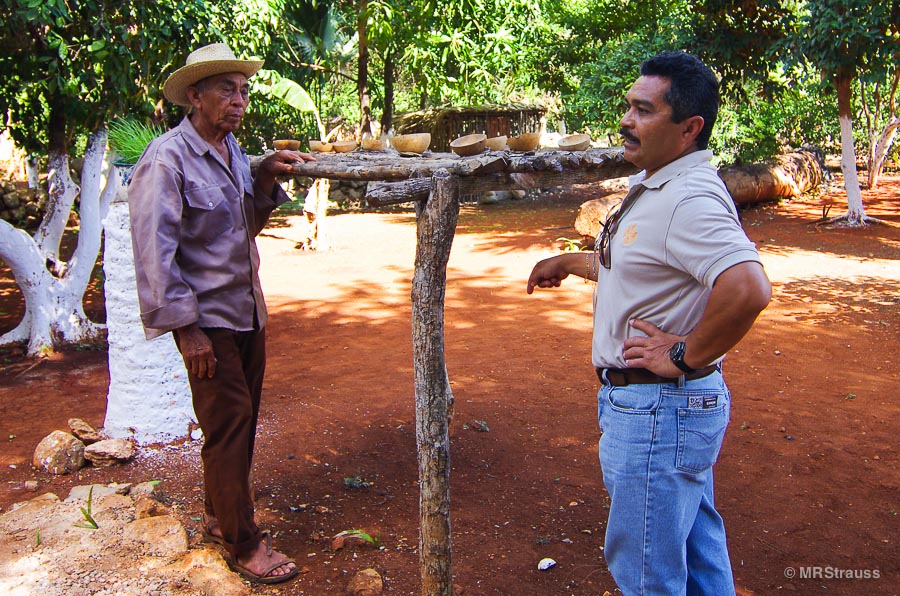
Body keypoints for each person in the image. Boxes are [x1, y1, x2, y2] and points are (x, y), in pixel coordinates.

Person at [527, 51, 772, 595]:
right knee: (697, 554)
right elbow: (649, 270)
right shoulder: (658, 184)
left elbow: (748, 288)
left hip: (660, 409)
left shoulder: (687, 198)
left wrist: (684, 354)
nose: (626, 120)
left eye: (643, 110)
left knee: (646, 574)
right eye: (628, 107)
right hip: (671, 410)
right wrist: (570, 263)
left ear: (689, 129)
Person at [128, 43, 315, 585]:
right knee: (229, 425)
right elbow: (154, 255)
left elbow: (241, 229)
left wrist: (261, 180)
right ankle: (242, 543)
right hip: (206, 322)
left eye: (244, 90)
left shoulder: (233, 152)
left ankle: (218, 517)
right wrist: (187, 331)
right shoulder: (166, 160)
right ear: (195, 96)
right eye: (227, 90)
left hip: (246, 311)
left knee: (238, 422)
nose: (240, 101)